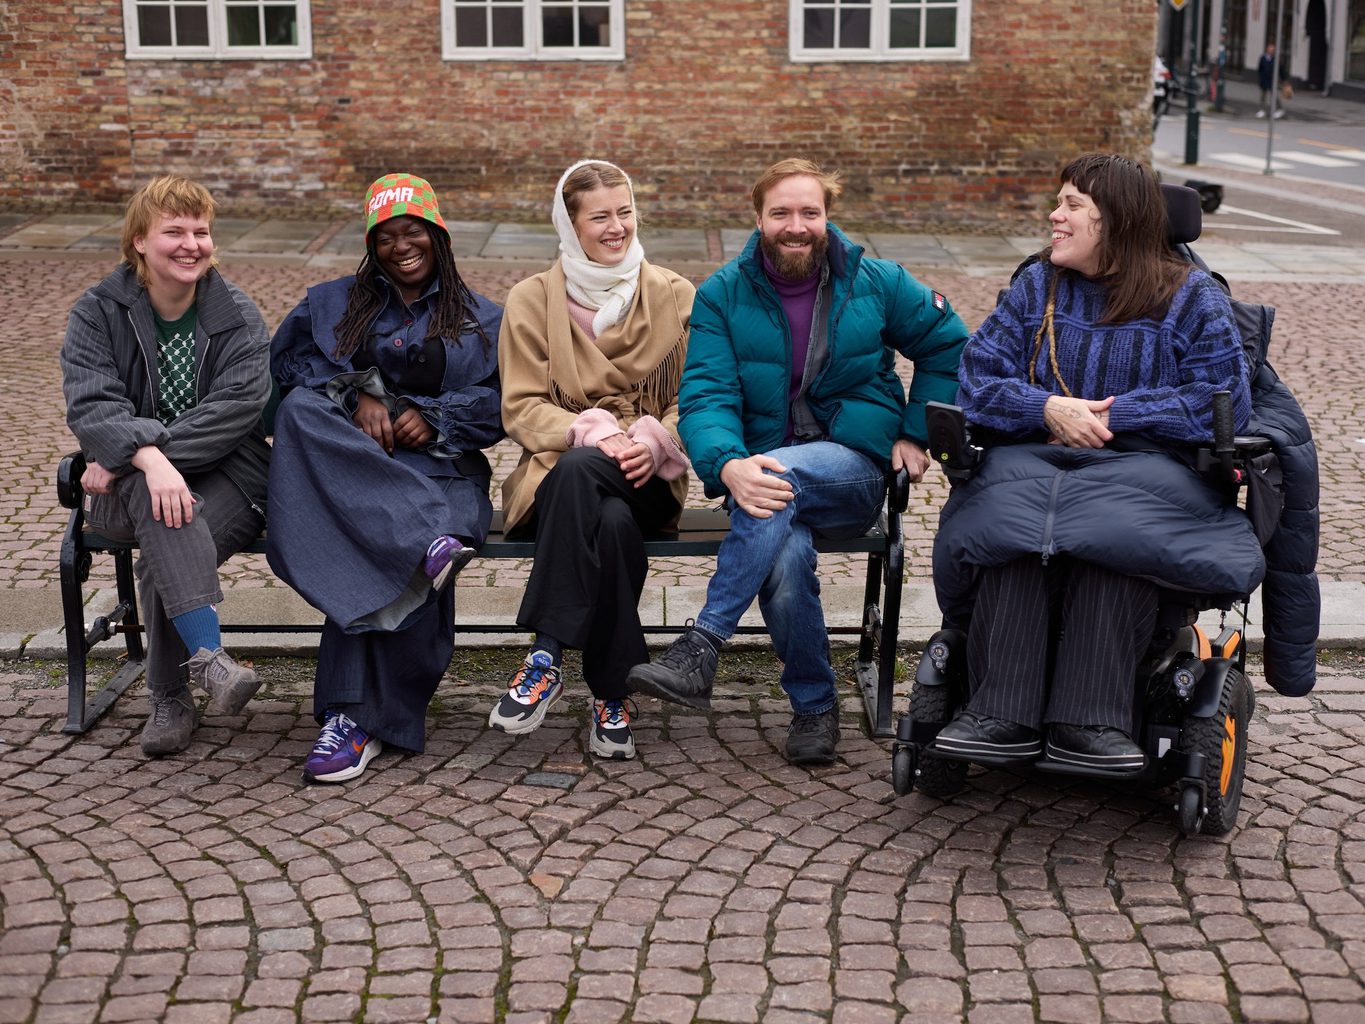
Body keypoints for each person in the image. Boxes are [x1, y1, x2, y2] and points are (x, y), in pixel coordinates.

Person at [626, 158, 969, 766]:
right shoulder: (722, 295)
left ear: (827, 217)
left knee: (776, 473)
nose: (796, 225)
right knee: (784, 557)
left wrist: (916, 433)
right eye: (781, 212)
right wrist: (727, 465)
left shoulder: (877, 281)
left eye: (809, 212)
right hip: (758, 484)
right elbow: (706, 397)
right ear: (758, 218)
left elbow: (949, 344)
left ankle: (702, 642)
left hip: (851, 468)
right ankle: (815, 707)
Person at [930, 153, 1261, 772]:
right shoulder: (1037, 286)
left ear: (1118, 221)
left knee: (1111, 534)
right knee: (1013, 526)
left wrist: (1116, 418)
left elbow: (1224, 403)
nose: (1054, 217)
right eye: (1058, 204)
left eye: (1072, 206)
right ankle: (997, 710)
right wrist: (1048, 406)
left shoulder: (1192, 299)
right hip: (1036, 455)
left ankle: (1092, 718)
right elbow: (975, 381)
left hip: (1145, 469)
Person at [268, 173, 503, 784]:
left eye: (413, 231)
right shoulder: (331, 304)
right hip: (354, 472)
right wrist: (357, 395)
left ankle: (360, 720)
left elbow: (509, 403)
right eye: (386, 237)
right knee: (302, 412)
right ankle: (350, 716)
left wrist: (432, 416)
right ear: (371, 246)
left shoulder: (483, 318)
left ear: (438, 236)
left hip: (442, 472)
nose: (401, 246)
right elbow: (290, 375)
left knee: (398, 552)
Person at [488, 160, 695, 760]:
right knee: (606, 516)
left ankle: (547, 652)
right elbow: (522, 407)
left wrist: (654, 440)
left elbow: (698, 398)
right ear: (569, 224)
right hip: (557, 474)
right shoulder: (531, 300)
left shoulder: (676, 296)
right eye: (599, 216)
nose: (617, 227)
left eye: (625, 212)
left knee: (606, 494)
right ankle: (613, 690)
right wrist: (587, 429)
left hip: (650, 475)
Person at [60, 175, 270, 756]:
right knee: (164, 503)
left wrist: (132, 454)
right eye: (173, 231)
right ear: (138, 244)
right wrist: (149, 461)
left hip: (232, 475)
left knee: (165, 523)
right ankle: (207, 663)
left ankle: (172, 693)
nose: (190, 244)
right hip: (132, 489)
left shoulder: (235, 315)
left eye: (200, 231)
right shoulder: (98, 312)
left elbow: (238, 408)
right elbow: (91, 403)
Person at [1258, 42, 1287, 118]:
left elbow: (1280, 70)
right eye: (1270, 49)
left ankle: (1280, 109)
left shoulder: (1276, 59)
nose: (1271, 51)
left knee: (1274, 95)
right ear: (1267, 50)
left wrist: (1284, 79)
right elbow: (1260, 69)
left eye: (1272, 50)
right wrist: (1260, 77)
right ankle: (1262, 110)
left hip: (1272, 80)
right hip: (1264, 80)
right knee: (1263, 96)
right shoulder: (1263, 58)